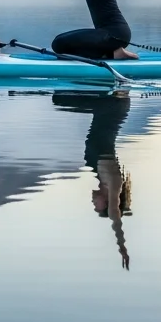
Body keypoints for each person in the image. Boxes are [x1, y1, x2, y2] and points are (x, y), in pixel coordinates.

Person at [53, 90, 133, 269]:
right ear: (107, 204)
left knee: (59, 97)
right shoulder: (113, 183)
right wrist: (122, 247)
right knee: (59, 98)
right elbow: (116, 217)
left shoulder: (101, 176)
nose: (93, 203)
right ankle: (116, 74)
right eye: (97, 206)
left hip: (108, 107)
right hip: (112, 106)